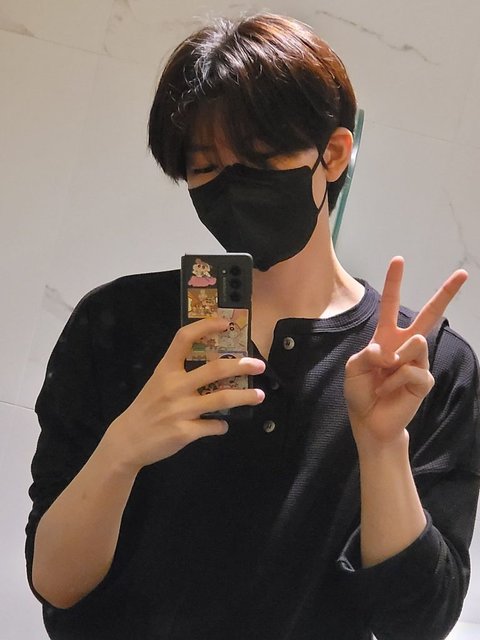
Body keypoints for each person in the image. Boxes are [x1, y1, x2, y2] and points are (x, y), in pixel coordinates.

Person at [26, 13, 480, 640]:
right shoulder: (118, 323)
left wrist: (381, 451)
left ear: (334, 154)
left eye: (262, 157)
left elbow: (418, 623)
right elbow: (55, 582)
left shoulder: (420, 365)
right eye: (205, 167)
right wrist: (124, 449)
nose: (233, 186)